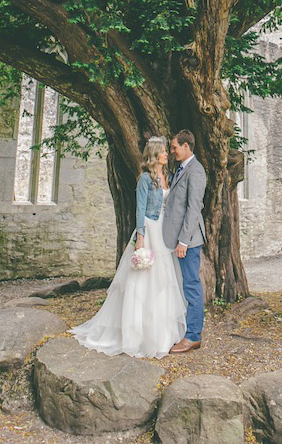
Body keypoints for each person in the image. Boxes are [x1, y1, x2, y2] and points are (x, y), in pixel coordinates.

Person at [70, 137, 186, 359]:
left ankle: (162, 334)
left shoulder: (169, 177)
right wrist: (140, 238)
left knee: (164, 282)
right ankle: (137, 335)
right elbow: (140, 209)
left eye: (166, 151)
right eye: (162, 151)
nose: (166, 154)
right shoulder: (144, 179)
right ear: (154, 155)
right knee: (142, 282)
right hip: (150, 229)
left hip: (164, 232)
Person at [163, 129, 207, 353]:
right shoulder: (182, 168)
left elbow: (193, 209)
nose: (172, 151)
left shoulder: (196, 171)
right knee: (184, 285)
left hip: (188, 240)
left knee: (191, 285)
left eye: (175, 147)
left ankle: (193, 336)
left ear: (187, 146)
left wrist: (183, 241)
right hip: (179, 239)